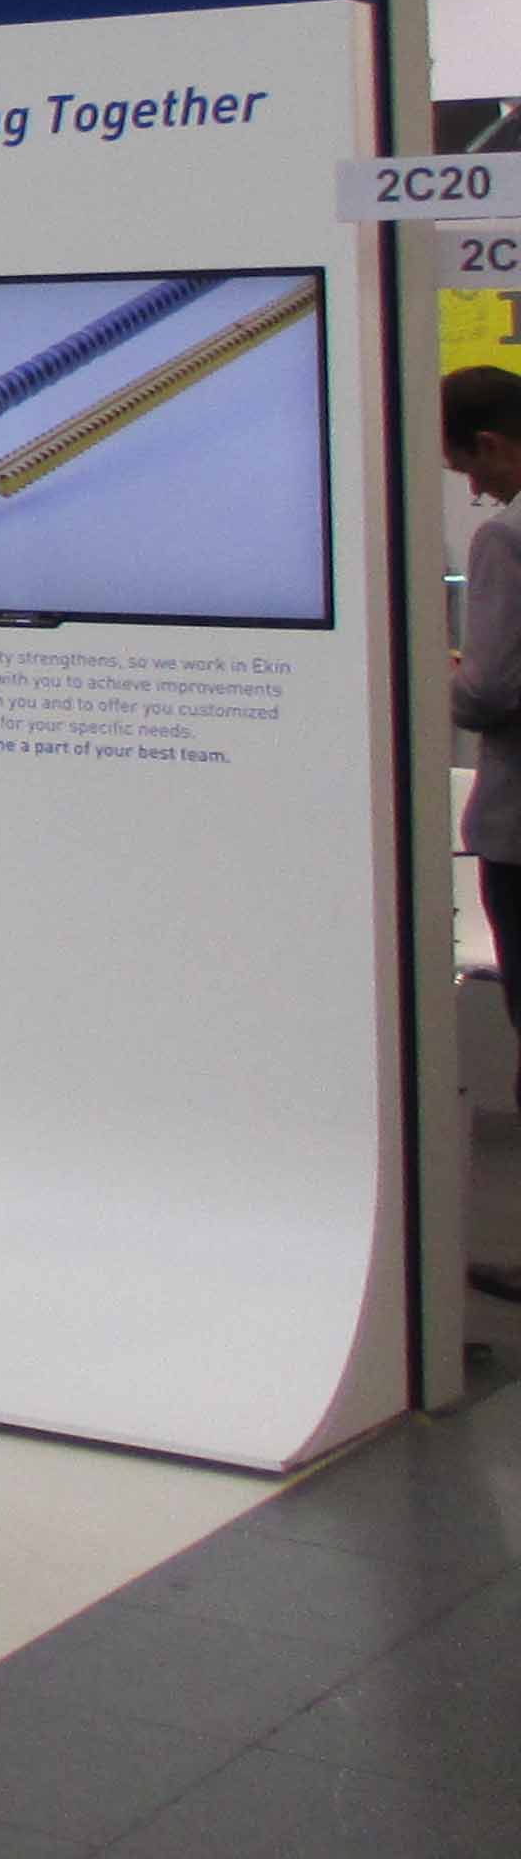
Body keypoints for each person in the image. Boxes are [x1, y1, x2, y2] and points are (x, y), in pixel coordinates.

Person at [438, 367, 521, 1303]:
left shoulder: (505, 539)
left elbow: (491, 691)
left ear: (492, 445)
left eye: (468, 468)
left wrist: (445, 673)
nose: (474, 491)